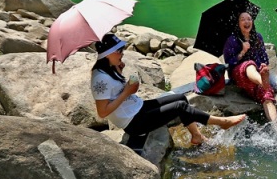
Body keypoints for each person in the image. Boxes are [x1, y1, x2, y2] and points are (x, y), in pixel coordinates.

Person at [91, 34, 245, 146]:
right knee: (179, 107)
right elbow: (102, 112)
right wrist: (127, 92)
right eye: (119, 51)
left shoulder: (109, 69)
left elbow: (118, 91)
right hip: (134, 122)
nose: (122, 54)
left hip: (138, 109)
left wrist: (120, 74)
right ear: (108, 54)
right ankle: (221, 122)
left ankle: (196, 136)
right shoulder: (100, 78)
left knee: (180, 98)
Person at [223, 12, 277, 132]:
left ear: (252, 22)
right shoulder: (232, 39)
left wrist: (263, 64)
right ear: (238, 24)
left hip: (256, 73)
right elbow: (229, 62)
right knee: (248, 64)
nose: (247, 22)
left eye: (249, 19)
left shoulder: (258, 37)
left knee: (267, 96)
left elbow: (264, 57)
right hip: (238, 73)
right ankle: (263, 80)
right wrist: (242, 52)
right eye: (243, 19)